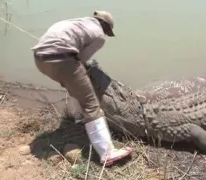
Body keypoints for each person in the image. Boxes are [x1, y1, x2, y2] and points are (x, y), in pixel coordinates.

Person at [31, 11, 132, 166]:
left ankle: (80, 118)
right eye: (107, 31)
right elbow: (82, 60)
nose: (106, 34)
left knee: (76, 87)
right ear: (105, 26)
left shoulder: (73, 22)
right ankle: (107, 153)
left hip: (40, 60)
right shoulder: (99, 36)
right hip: (61, 60)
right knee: (91, 104)